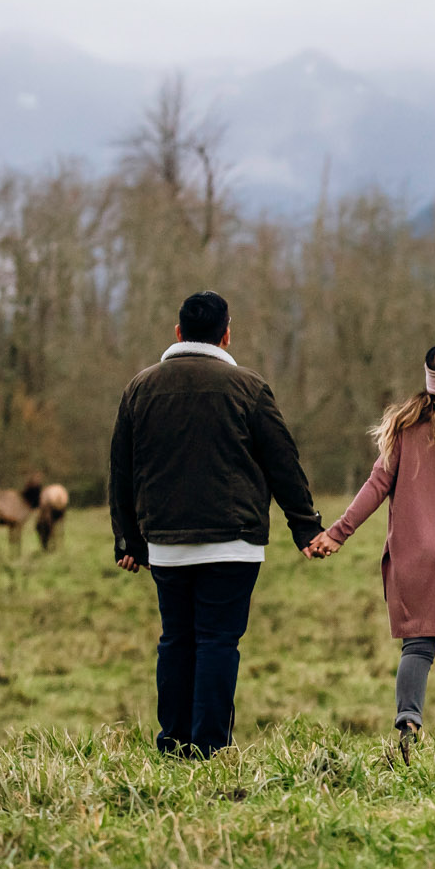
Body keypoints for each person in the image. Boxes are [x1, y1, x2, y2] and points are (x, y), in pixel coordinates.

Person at [109, 291, 324, 756]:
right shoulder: (249, 388)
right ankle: (210, 746)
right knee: (218, 642)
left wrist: (128, 539)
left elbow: (122, 469)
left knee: (176, 640)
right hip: (234, 542)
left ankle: (173, 741)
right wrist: (305, 526)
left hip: (165, 541)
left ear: (177, 332)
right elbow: (282, 462)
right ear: (227, 334)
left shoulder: (140, 389)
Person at [306, 342, 435, 743]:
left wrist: (337, 533)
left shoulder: (405, 429)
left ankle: (408, 722)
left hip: (413, 557)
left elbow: (375, 486)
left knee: (417, 646)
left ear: (430, 382)